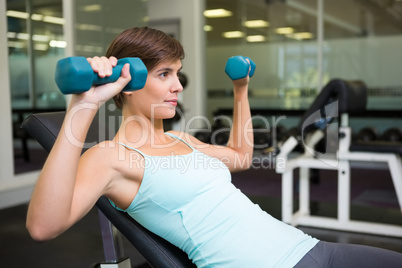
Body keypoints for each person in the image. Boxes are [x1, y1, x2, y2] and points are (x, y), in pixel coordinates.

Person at [26, 27, 402, 268]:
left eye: (177, 73)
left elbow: (240, 155)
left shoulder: (181, 139)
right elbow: (43, 226)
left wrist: (241, 89)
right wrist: (85, 103)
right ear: (129, 81)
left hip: (311, 248)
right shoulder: (112, 157)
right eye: (164, 74)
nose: (178, 86)